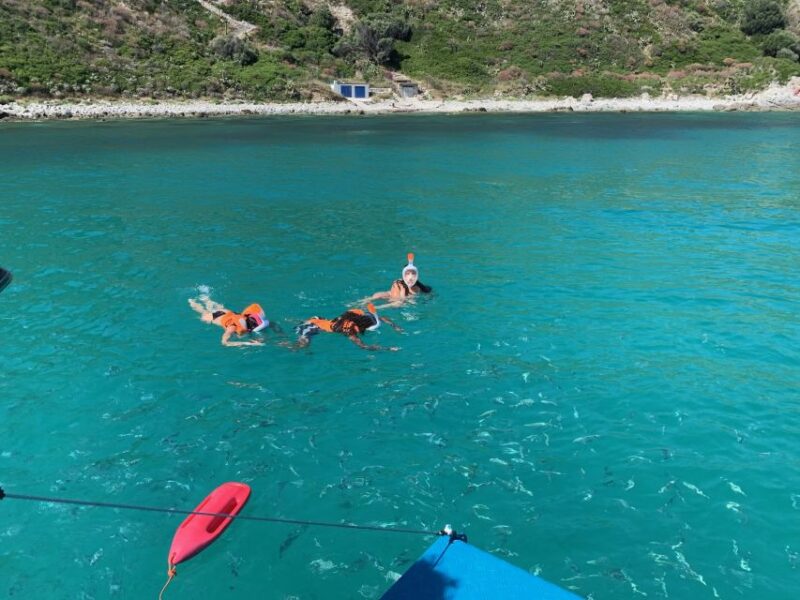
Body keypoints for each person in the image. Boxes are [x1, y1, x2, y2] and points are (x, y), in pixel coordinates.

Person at [292, 303, 403, 351]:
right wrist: (387, 349)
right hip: (313, 326)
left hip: (321, 320)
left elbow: (382, 318)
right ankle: (284, 344)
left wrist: (395, 326)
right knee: (304, 344)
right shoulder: (350, 331)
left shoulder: (360, 314)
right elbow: (364, 347)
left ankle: (296, 321)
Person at [188, 294, 270, 347]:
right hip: (215, 317)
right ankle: (191, 300)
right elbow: (224, 342)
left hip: (228, 312)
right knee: (202, 312)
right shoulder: (232, 328)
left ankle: (205, 298)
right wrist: (247, 343)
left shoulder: (244, 321)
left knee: (209, 304)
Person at [361, 253, 432, 309]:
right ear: (403, 275)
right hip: (390, 295)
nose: (410, 277)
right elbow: (393, 293)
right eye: (407, 274)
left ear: (416, 275)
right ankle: (362, 302)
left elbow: (402, 300)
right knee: (376, 295)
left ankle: (376, 308)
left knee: (399, 304)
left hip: (398, 301)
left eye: (413, 274)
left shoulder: (417, 288)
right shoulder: (398, 282)